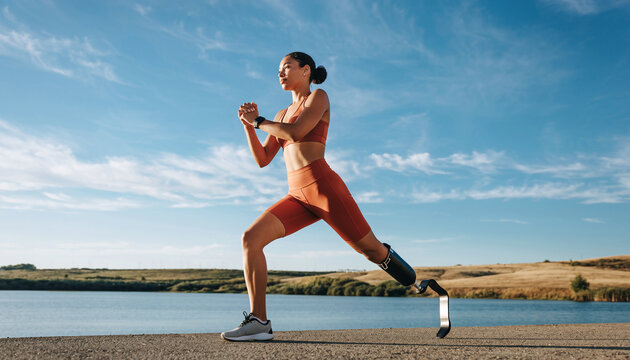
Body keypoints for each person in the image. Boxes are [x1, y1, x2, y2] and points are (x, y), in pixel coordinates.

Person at [221, 52, 417, 341]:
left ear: (305, 70)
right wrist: (248, 126)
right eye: (278, 69)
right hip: (297, 196)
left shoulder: (319, 98)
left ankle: (414, 280)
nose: (280, 73)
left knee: (371, 251)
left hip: (324, 188)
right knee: (251, 238)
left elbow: (298, 131)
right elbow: (263, 159)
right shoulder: (279, 116)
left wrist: (258, 121)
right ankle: (259, 322)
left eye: (286, 67)